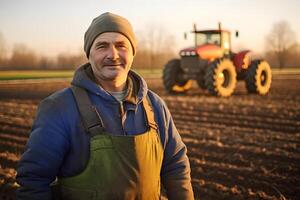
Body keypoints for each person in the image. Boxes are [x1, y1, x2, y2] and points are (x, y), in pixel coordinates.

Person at [16, 12, 194, 200]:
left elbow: (176, 168)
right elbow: (33, 181)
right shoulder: (59, 107)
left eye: (121, 46)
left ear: (133, 52)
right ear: (89, 54)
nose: (113, 55)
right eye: (102, 46)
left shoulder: (155, 106)